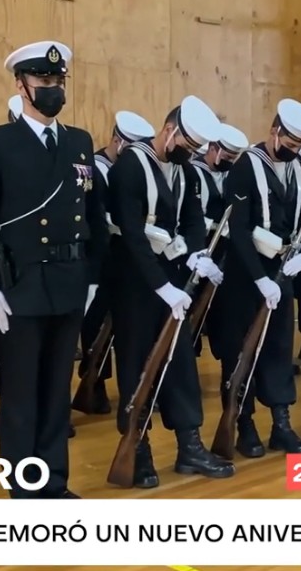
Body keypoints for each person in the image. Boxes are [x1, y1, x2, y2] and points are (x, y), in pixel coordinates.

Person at [0, 41, 108, 499]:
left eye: (58, 81)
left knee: (57, 391)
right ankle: (25, 488)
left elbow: (94, 216)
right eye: (44, 81)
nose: (53, 89)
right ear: (21, 86)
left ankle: (55, 483)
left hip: (69, 281)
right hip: (18, 287)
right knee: (21, 393)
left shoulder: (79, 142)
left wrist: (92, 277)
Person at [106, 96, 234, 488]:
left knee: (180, 363)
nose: (189, 154)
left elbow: (193, 221)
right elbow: (131, 234)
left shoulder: (186, 171)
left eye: (196, 149)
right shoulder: (130, 165)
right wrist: (160, 285)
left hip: (173, 277)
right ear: (169, 130)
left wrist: (196, 255)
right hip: (133, 279)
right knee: (136, 364)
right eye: (186, 145)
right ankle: (138, 447)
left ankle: (189, 444)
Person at [217, 98, 301, 456]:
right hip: (245, 275)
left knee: (279, 349)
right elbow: (238, 228)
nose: (295, 151)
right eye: (291, 143)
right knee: (241, 351)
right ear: (275, 131)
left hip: (282, 273)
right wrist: (258, 279)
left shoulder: (299, 170)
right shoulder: (246, 166)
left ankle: (281, 424)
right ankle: (243, 424)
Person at [76, 110, 156, 415]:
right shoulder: (96, 169)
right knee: (95, 327)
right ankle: (93, 383)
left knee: (122, 328)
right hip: (100, 259)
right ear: (117, 141)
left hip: (124, 260)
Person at [190, 121, 249, 358]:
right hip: (199, 247)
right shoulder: (192, 172)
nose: (229, 161)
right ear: (212, 148)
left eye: (233, 158)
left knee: (225, 313)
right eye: (226, 156)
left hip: (225, 250)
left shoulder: (231, 176)